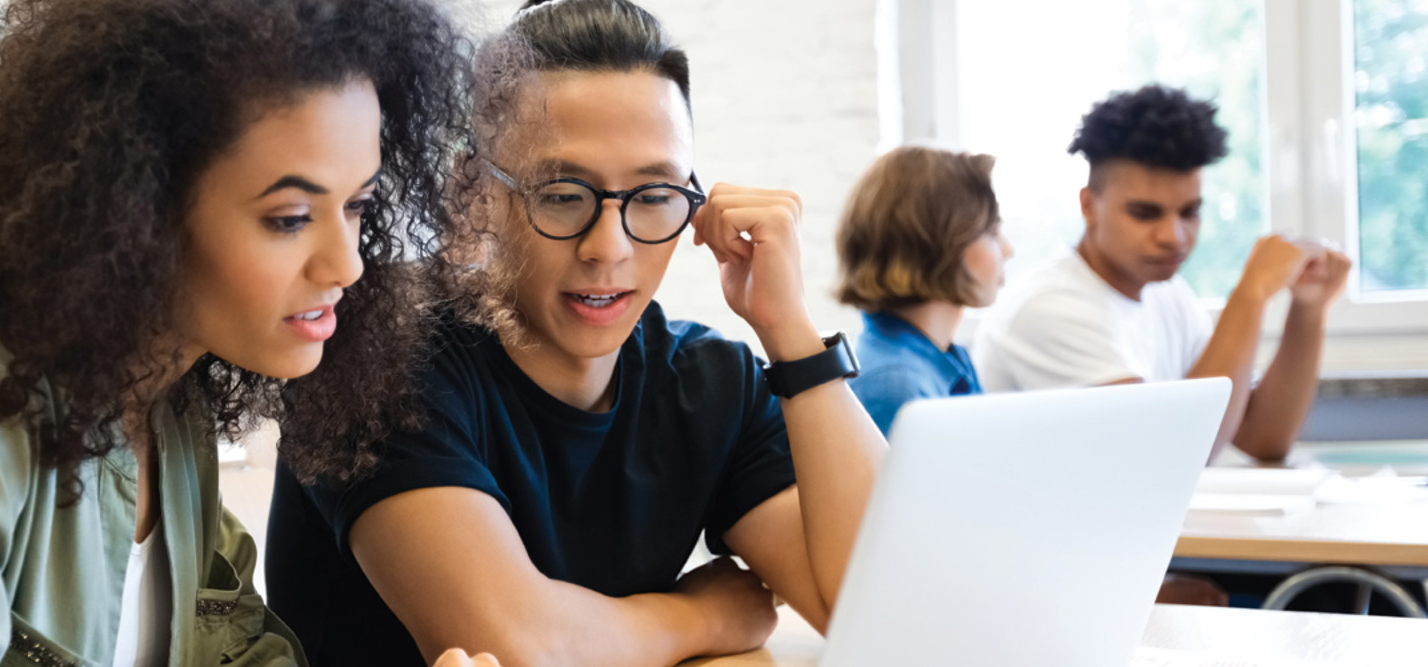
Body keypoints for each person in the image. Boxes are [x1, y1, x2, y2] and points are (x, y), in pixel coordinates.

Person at [0, 0, 477, 664]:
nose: (346, 262)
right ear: (138, 207)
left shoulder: (170, 399)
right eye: (288, 218)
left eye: (357, 205)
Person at [265, 1, 887, 664]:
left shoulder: (710, 384)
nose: (608, 247)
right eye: (562, 194)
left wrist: (788, 331)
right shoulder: (377, 354)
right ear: (474, 194)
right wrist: (702, 616)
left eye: (652, 195)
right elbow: (518, 645)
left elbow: (886, 611)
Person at [973, 84, 1352, 463]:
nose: (1174, 237)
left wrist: (1308, 310)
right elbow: (1175, 454)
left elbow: (1260, 438)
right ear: (1089, 206)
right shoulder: (1050, 309)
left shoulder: (1168, 294)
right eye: (1145, 213)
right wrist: (1251, 293)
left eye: (1189, 212)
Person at [836, 146, 1012, 434]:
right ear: (942, 243)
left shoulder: (944, 359)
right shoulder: (896, 385)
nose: (1007, 250)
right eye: (992, 232)